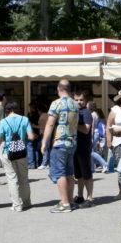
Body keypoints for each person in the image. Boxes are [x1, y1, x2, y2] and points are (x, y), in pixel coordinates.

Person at [41, 80, 79, 213]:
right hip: (72, 142)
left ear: (58, 89)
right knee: (69, 173)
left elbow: (50, 124)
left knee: (60, 173)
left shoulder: (56, 103)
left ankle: (64, 203)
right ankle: (70, 200)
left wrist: (44, 142)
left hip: (60, 142)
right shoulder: (75, 104)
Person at [0, 100, 34, 212]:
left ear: (6, 111)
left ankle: (17, 205)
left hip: (8, 153)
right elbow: (31, 137)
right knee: (24, 178)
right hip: (22, 152)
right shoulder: (24, 119)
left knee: (12, 179)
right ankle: (26, 202)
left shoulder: (3, 122)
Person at [73, 91, 94, 206]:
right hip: (75, 148)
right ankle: (80, 196)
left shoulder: (86, 113)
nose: (79, 102)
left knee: (86, 174)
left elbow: (86, 129)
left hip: (83, 148)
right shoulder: (75, 112)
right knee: (78, 175)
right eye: (76, 100)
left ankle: (89, 198)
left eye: (81, 100)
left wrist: (73, 123)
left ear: (85, 101)